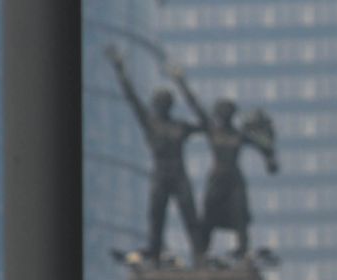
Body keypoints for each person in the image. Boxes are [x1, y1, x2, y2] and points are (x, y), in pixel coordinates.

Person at [169, 65, 279, 259]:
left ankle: (242, 251)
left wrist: (270, 159)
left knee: (240, 218)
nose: (224, 115)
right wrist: (180, 81)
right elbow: (195, 105)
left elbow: (263, 146)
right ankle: (201, 252)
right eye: (222, 111)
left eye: (228, 111)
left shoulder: (239, 134)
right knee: (208, 217)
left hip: (234, 181)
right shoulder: (213, 131)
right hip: (217, 180)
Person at [105, 47, 203, 263]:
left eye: (161, 102)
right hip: (160, 176)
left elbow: (205, 122)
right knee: (156, 220)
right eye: (157, 102)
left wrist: (181, 83)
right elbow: (131, 98)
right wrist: (120, 70)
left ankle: (199, 257)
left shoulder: (180, 126)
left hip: (179, 176)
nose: (157, 106)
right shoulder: (151, 124)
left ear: (168, 105)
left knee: (191, 218)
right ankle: (155, 257)